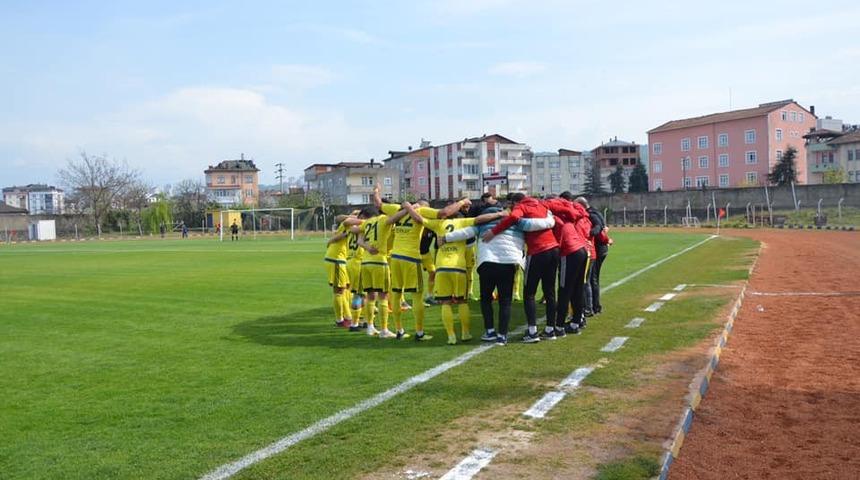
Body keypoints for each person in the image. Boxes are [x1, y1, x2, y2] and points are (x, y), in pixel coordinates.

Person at [445, 203, 554, 345]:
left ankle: (490, 331)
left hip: (487, 263)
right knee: (505, 301)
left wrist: (444, 238)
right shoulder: (517, 223)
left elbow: (465, 233)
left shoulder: (482, 225)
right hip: (508, 263)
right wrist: (550, 218)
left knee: (485, 299)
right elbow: (537, 224)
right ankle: (502, 335)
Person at [374, 186, 468, 341]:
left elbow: (378, 204)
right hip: (411, 258)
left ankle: (399, 330)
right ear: (424, 206)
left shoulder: (397, 208)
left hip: (395, 257)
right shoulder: (423, 211)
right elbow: (444, 213)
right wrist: (462, 201)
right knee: (417, 296)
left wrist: (376, 191)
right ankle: (419, 333)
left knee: (396, 294)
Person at [482, 193, 558, 343]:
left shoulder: (521, 206)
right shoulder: (542, 205)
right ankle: (550, 329)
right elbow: (556, 218)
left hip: (537, 252)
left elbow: (513, 218)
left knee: (529, 293)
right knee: (549, 291)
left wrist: (493, 231)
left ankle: (532, 332)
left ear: (516, 202)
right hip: (554, 248)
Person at [423, 206, 505, 345]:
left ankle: (451, 336)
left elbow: (420, 218)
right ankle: (465, 333)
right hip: (458, 267)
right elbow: (481, 219)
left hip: (441, 267)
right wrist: (501, 214)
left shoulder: (438, 223)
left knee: (445, 302)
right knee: (462, 301)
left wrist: (410, 207)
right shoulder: (463, 222)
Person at [545, 193, 590, 338]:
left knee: (564, 290)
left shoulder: (555, 219)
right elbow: (582, 211)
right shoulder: (569, 216)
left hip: (570, 253)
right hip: (582, 251)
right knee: (577, 289)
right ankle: (576, 323)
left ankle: (558, 327)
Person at [357, 205, 394, 337]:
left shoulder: (366, 223)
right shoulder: (383, 219)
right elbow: (395, 218)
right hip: (379, 261)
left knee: (370, 296)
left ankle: (370, 327)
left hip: (365, 262)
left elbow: (359, 241)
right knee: (383, 296)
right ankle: (384, 330)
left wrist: (368, 248)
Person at [575, 197, 611, 316]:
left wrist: (590, 234)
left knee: (591, 279)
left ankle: (593, 306)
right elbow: (602, 227)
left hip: (597, 249)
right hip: (601, 248)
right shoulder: (596, 212)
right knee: (592, 279)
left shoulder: (590, 214)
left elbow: (598, 227)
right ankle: (595, 306)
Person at [324, 215, 358, 328]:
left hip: (341, 260)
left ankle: (348, 317)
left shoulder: (349, 229)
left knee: (346, 288)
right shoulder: (347, 225)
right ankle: (340, 320)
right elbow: (342, 219)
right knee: (339, 290)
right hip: (336, 260)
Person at [345, 211, 366, 331]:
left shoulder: (351, 227)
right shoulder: (364, 227)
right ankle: (354, 324)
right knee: (359, 294)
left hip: (350, 261)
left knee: (362, 294)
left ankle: (363, 320)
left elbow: (347, 220)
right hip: (358, 262)